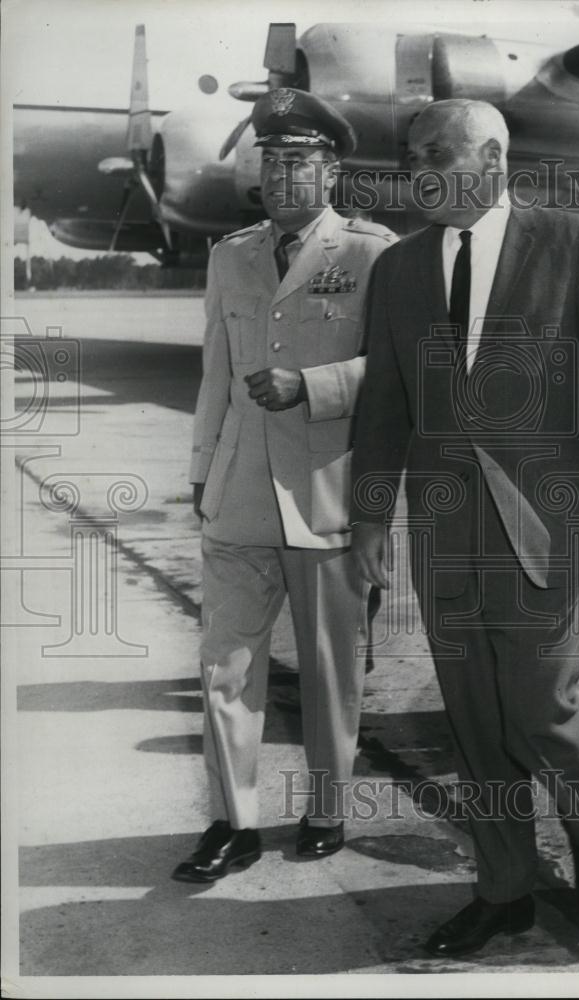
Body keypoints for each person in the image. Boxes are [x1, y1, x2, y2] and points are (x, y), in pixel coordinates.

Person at [350, 99, 579, 956]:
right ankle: (504, 890)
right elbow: (382, 402)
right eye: (413, 154)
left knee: (538, 709)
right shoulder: (399, 268)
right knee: (474, 720)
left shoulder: (569, 241)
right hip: (445, 527)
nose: (421, 168)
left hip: (546, 520)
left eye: (440, 152)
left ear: (492, 156)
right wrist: (370, 514)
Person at [173, 88, 396, 883]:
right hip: (237, 491)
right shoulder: (229, 253)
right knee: (223, 665)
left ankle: (326, 808)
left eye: (299, 162)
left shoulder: (373, 252)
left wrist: (314, 385)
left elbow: (400, 371)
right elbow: (214, 375)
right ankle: (232, 822)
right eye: (269, 162)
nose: (280, 178)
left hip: (326, 494)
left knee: (333, 663)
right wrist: (203, 475)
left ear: (332, 171)